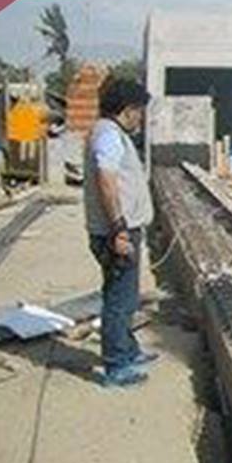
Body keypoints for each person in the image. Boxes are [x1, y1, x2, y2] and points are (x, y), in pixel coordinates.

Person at [84, 77, 157, 388]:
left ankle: (127, 351)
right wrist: (118, 228)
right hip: (117, 232)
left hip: (123, 229)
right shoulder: (109, 136)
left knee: (126, 297)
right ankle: (116, 365)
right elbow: (106, 179)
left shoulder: (110, 133)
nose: (140, 117)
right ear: (127, 110)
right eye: (138, 111)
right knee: (118, 299)